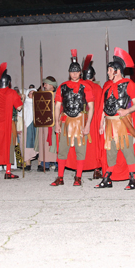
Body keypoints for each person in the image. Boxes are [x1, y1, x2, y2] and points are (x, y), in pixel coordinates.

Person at [96, 47, 135, 190]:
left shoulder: (129, 84)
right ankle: (107, 179)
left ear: (117, 71)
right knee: (110, 152)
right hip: (109, 124)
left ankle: (132, 180)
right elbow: (104, 106)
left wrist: (127, 110)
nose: (108, 72)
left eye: (110, 70)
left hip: (123, 123)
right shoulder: (107, 86)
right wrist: (101, 123)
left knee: (127, 150)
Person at [50, 50, 94, 187]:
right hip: (66, 122)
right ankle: (60, 177)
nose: (74, 74)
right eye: (72, 72)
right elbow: (57, 106)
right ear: (69, 73)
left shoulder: (86, 86)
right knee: (62, 150)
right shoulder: (62, 87)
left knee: (80, 150)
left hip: (80, 121)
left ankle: (78, 177)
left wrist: (88, 124)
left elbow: (91, 107)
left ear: (80, 72)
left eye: (76, 72)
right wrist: (57, 124)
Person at [0, 63, 23, 179]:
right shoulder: (12, 93)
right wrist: (21, 98)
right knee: (8, 146)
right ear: (9, 82)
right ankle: (8, 172)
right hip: (7, 124)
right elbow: (19, 107)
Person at [80, 54, 104, 179]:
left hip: (80, 119)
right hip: (94, 119)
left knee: (79, 143)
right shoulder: (98, 88)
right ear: (93, 76)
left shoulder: (78, 85)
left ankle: (79, 168)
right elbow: (100, 106)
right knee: (95, 144)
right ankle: (96, 169)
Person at [35, 77, 58, 171]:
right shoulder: (41, 95)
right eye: (44, 84)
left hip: (54, 123)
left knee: (55, 143)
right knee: (44, 143)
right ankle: (45, 163)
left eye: (46, 84)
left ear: (52, 86)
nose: (44, 86)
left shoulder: (58, 96)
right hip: (43, 124)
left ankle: (57, 163)